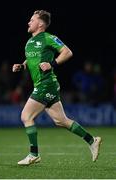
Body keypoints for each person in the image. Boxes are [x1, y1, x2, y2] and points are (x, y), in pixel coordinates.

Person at [12, 10, 102, 165]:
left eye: (32, 20)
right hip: (45, 85)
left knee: (26, 116)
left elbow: (67, 52)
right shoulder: (30, 41)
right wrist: (22, 66)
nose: (28, 22)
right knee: (61, 121)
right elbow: (31, 59)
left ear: (40, 24)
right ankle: (92, 140)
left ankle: (34, 154)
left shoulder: (49, 38)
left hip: (46, 84)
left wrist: (52, 64)